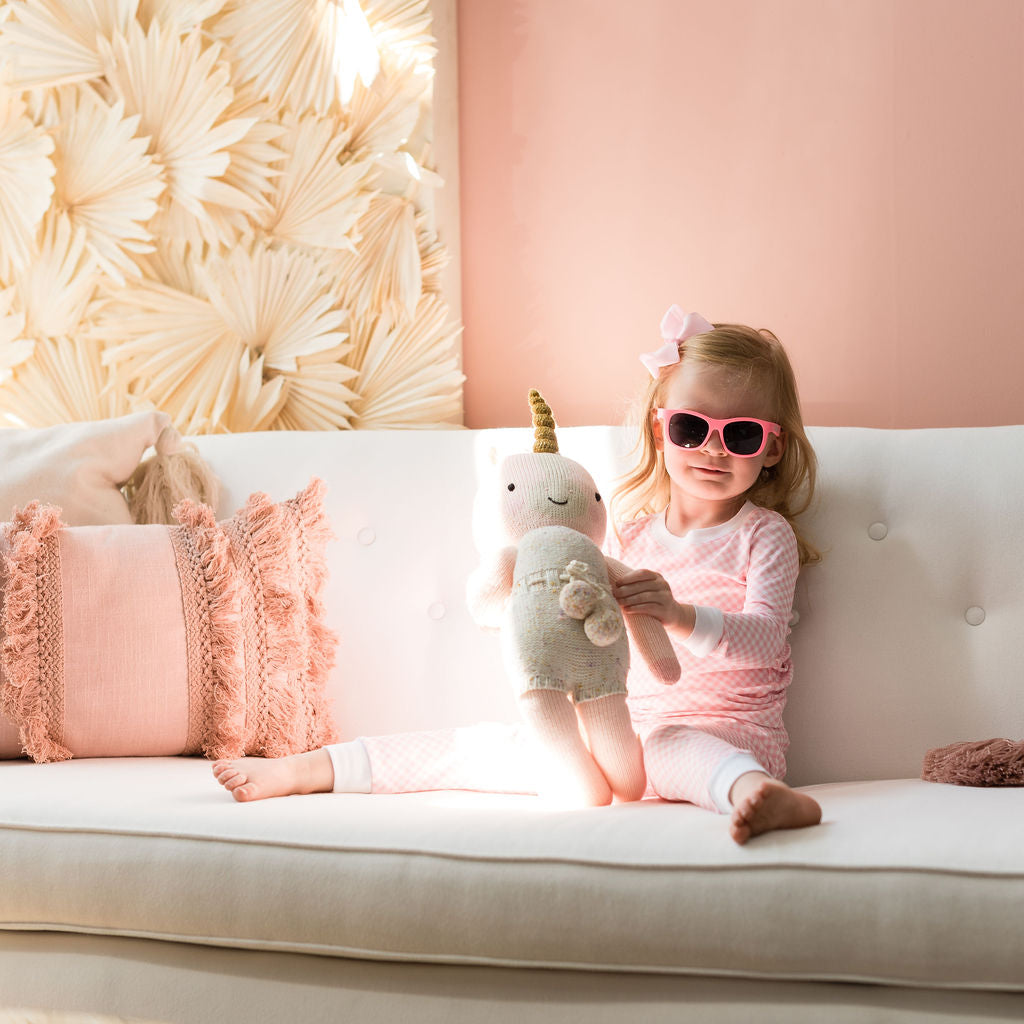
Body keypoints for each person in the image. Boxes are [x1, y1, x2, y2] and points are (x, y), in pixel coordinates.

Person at [212, 304, 823, 845]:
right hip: (620, 737)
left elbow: (767, 640)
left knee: (671, 745)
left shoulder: (762, 535)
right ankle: (314, 768)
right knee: (497, 746)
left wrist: (679, 615)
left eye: (741, 434)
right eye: (693, 428)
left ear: (771, 447)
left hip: (732, 737)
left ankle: (758, 795)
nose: (713, 449)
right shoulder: (630, 533)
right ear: (661, 430)